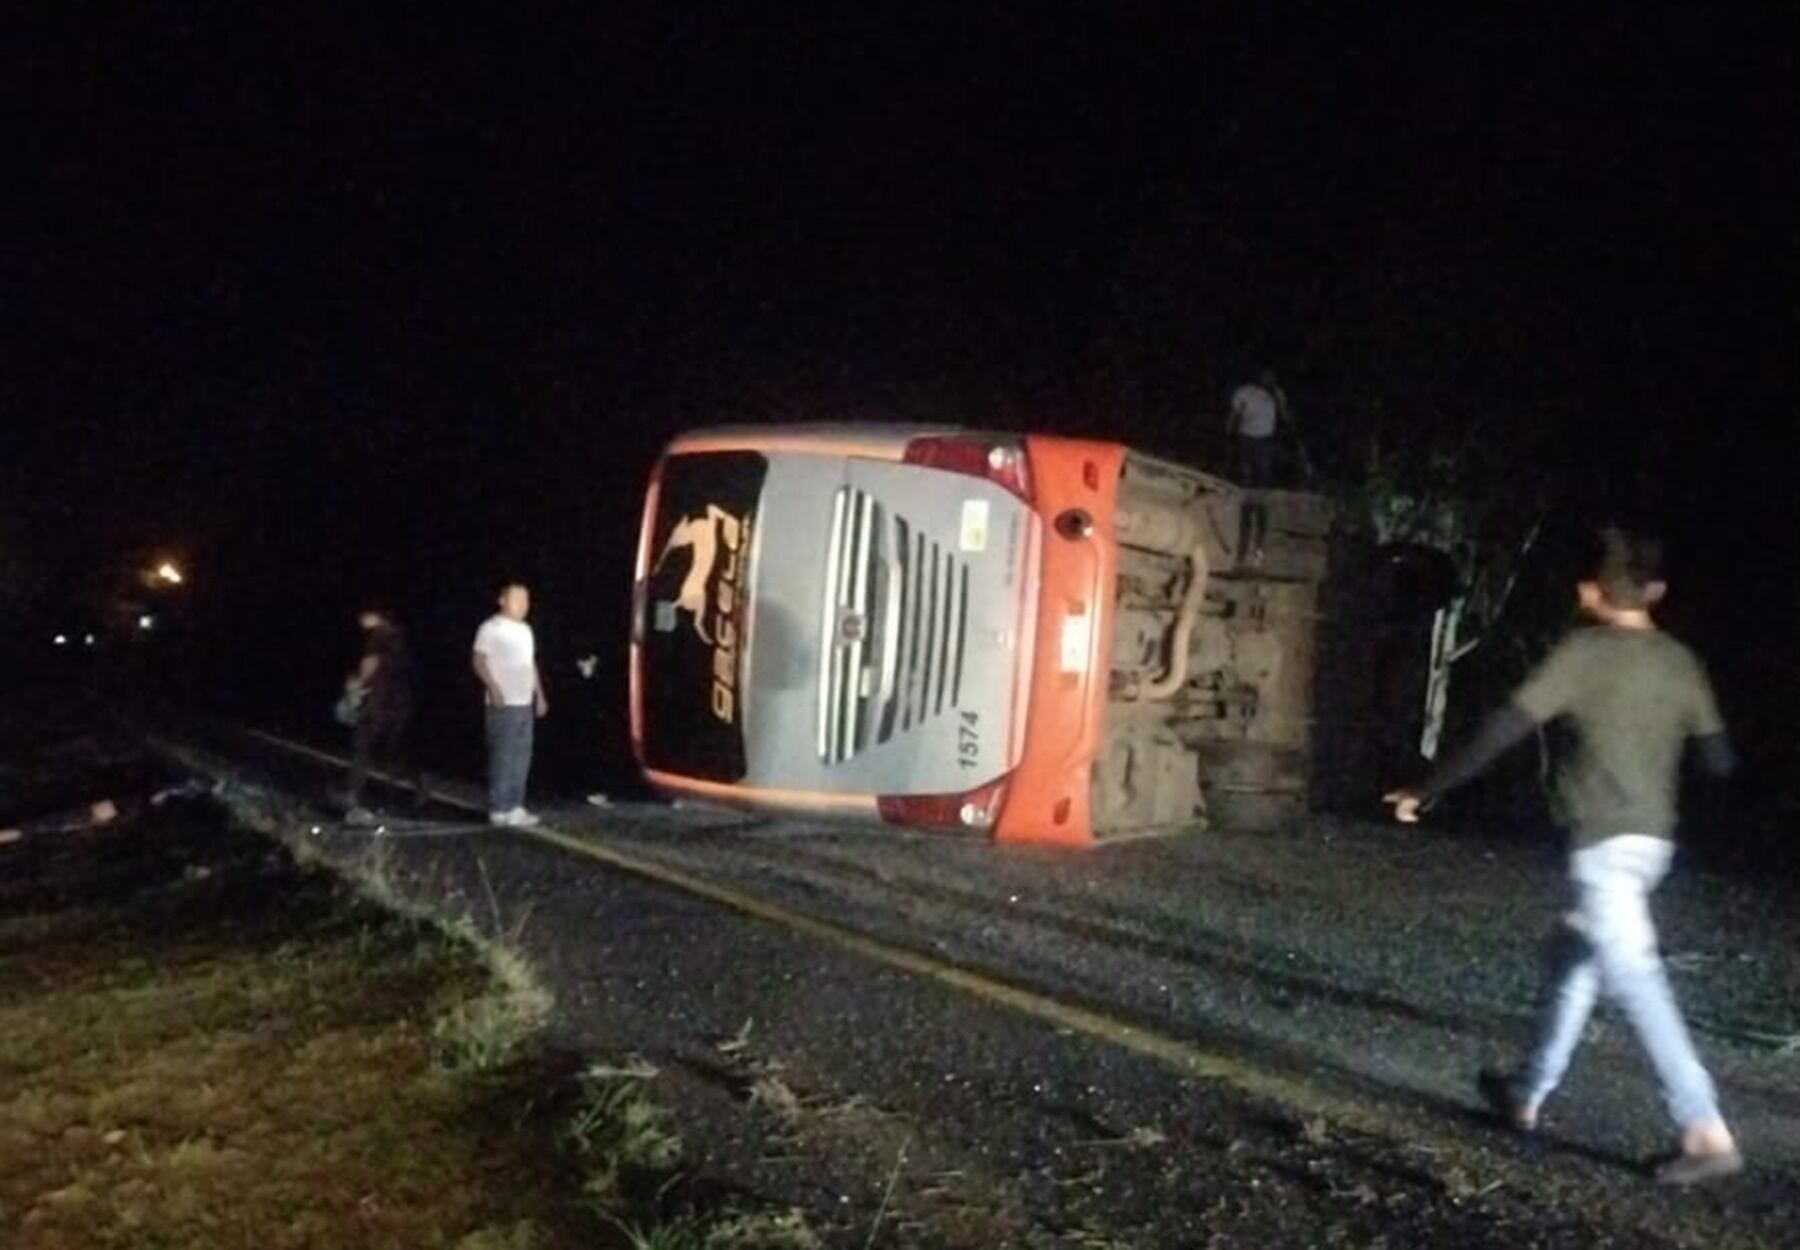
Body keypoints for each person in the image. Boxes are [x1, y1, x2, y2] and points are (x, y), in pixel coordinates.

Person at [1383, 527, 1742, 1185]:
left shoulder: (1586, 652)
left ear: (1588, 589)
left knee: (1633, 974)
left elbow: (1505, 728)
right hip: (1651, 844)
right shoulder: (1678, 660)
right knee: (1574, 956)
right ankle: (1527, 1091)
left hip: (1604, 845)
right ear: (1653, 591)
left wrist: (1427, 788)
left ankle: (1703, 1127)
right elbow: (1718, 759)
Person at [472, 582, 547, 827]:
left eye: (526, 600)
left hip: (524, 701)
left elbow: (530, 663)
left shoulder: (526, 630)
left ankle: (516, 806)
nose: (523, 605)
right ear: (502, 601)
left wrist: (540, 695)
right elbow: (479, 661)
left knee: (522, 756)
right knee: (502, 755)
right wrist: (493, 688)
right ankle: (498, 808)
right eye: (517, 600)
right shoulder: (490, 628)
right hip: (502, 702)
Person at [344, 607, 425, 822]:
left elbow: (369, 665)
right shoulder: (400, 637)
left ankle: (352, 795)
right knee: (393, 751)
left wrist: (356, 685)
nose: (361, 623)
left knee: (361, 746)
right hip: (399, 703)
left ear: (373, 615)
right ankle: (419, 787)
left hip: (377, 701)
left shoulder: (377, 636)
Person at [1227, 370, 1286, 488]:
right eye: (1265, 376)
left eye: (1271, 377)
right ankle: (1245, 491)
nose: (1268, 379)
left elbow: (1284, 414)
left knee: (1264, 468)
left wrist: (1278, 398)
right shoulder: (1245, 391)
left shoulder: (1277, 392)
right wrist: (1229, 427)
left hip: (1267, 436)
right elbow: (1236, 412)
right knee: (1245, 469)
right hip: (1246, 434)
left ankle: (1262, 494)